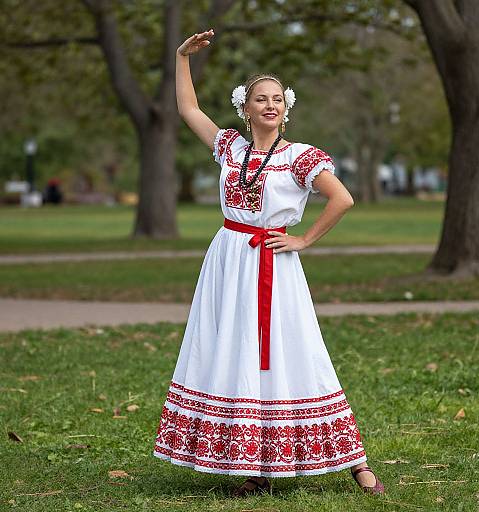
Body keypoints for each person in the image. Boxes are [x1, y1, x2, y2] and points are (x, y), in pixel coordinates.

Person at [153, 29, 385, 498]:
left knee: (295, 351)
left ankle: (355, 462)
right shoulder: (230, 148)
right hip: (227, 260)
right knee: (236, 353)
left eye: (278, 99)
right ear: (246, 107)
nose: (270, 106)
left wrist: (304, 239)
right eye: (261, 99)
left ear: (286, 107)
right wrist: (182, 58)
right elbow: (188, 110)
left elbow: (342, 198)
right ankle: (254, 466)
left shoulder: (299, 158)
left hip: (273, 266)